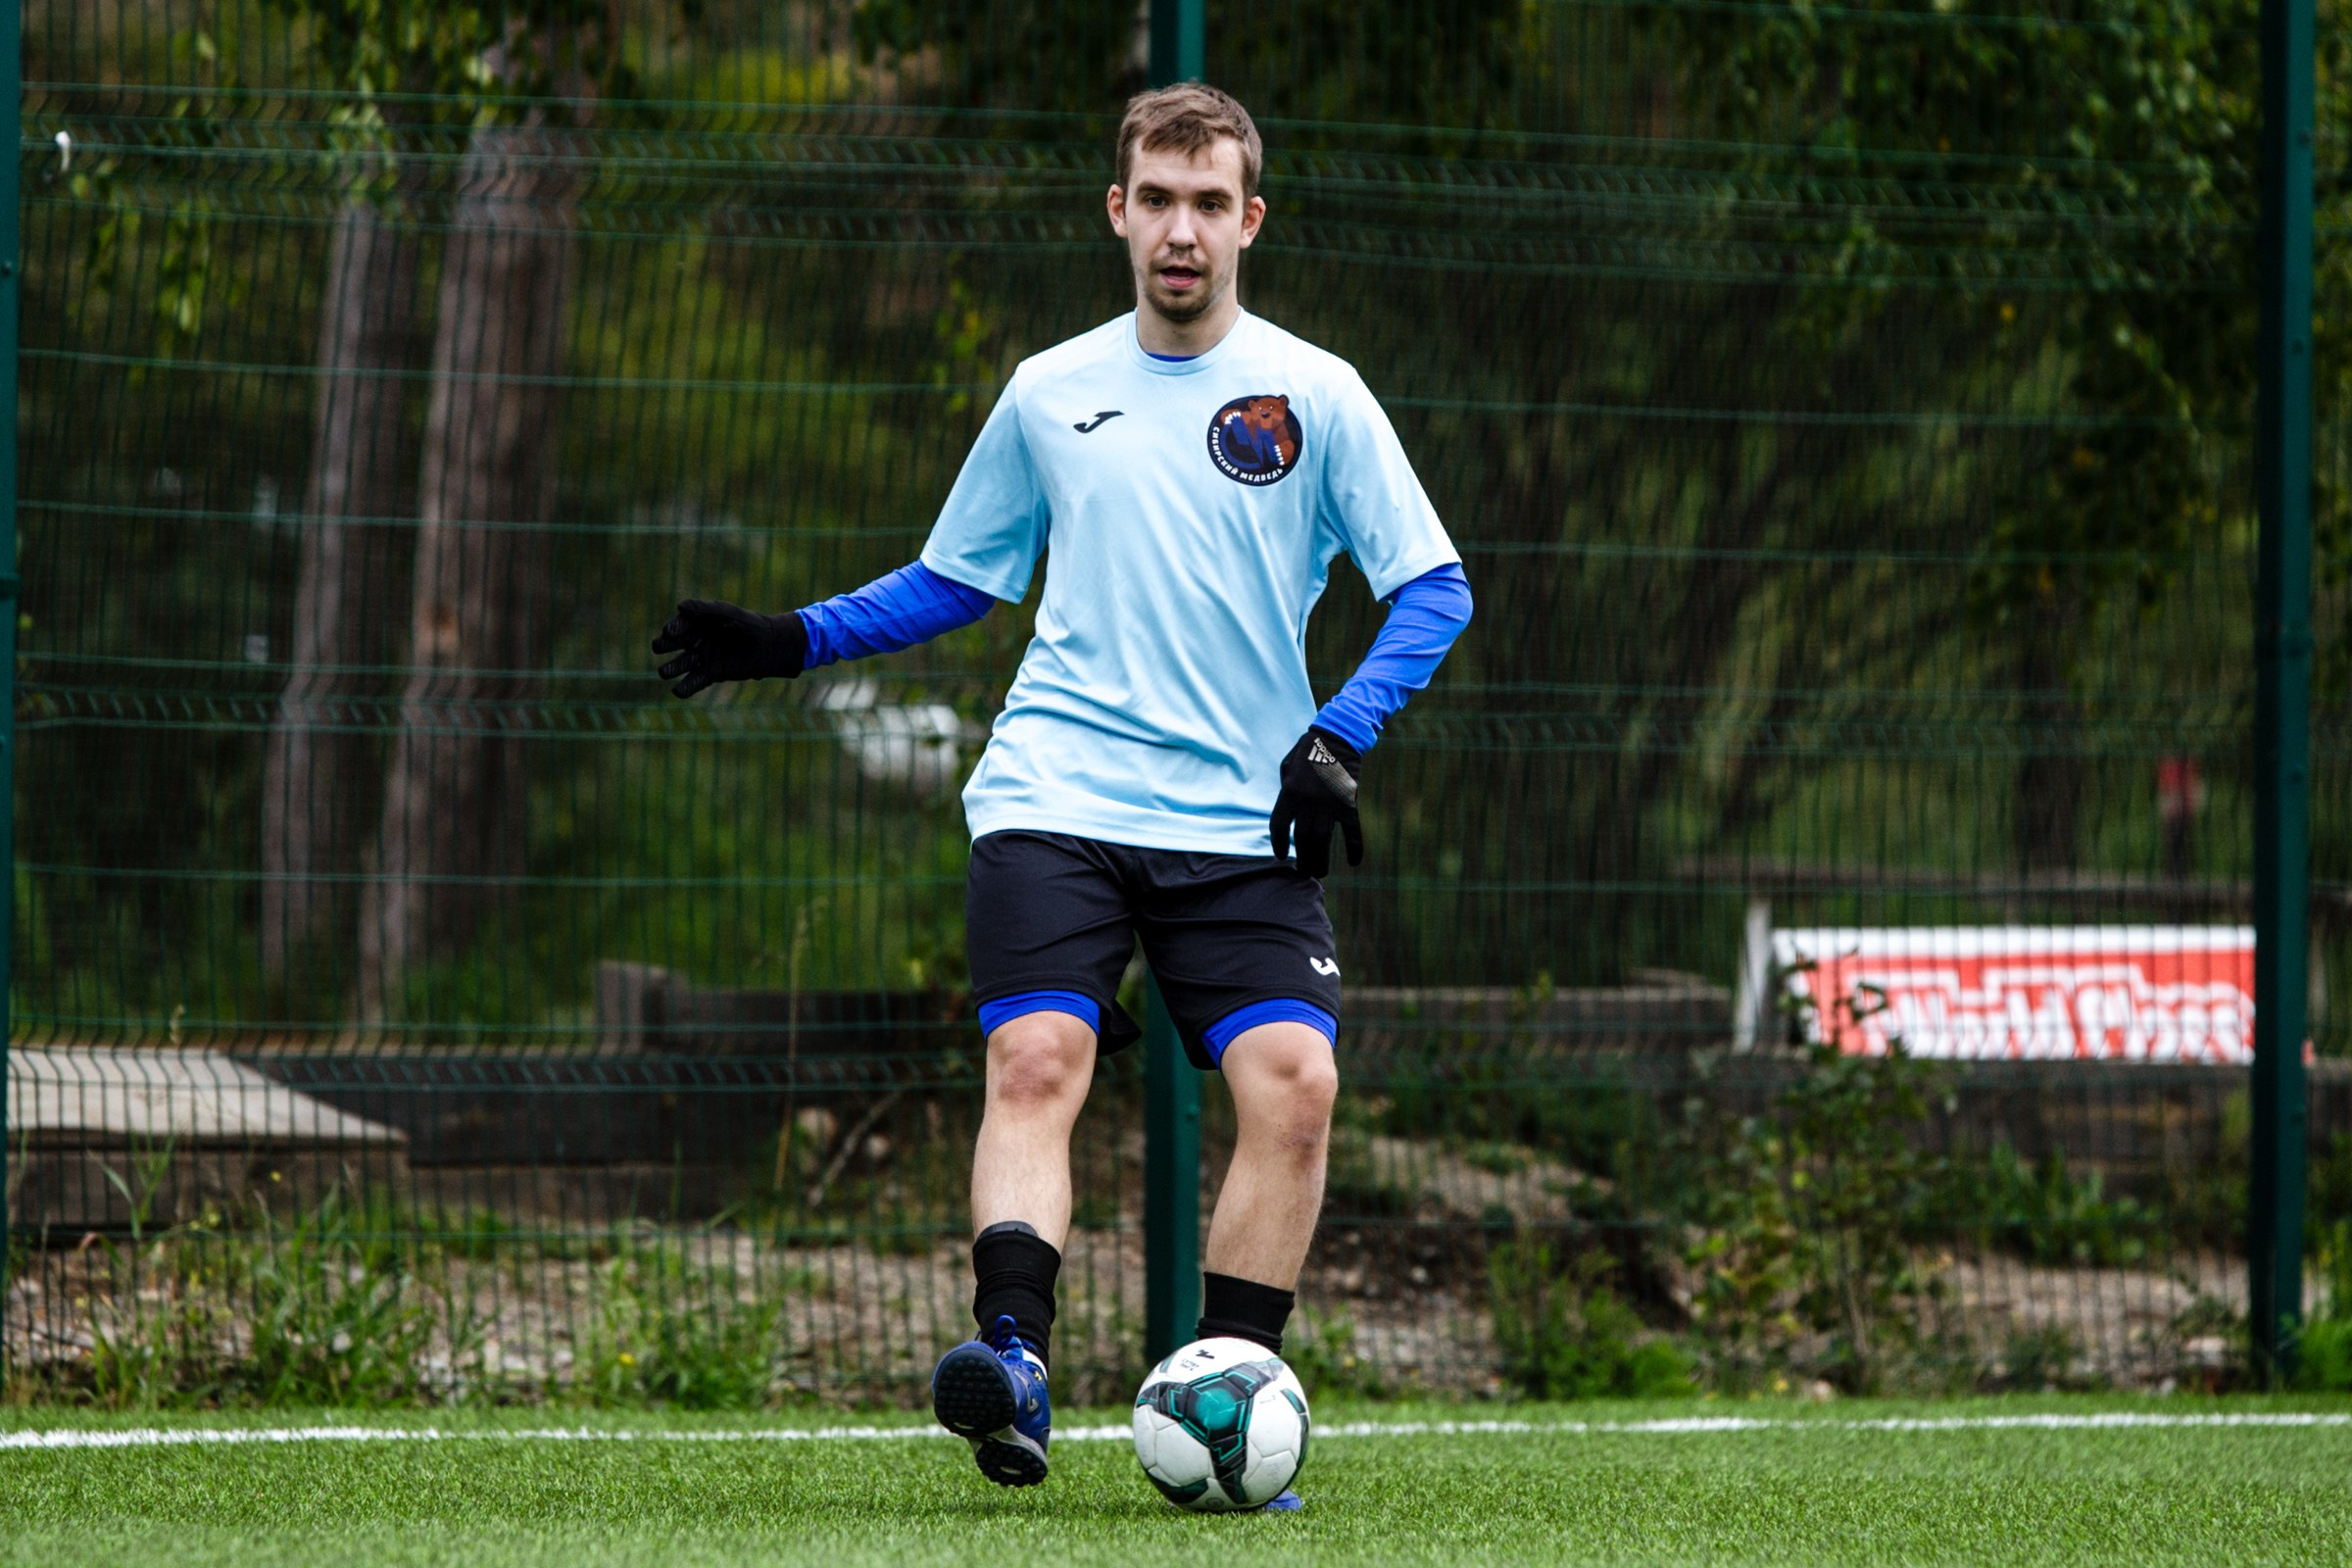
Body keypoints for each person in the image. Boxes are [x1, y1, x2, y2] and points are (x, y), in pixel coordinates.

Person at [652, 83, 1471, 1506]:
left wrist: (1339, 732)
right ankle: (1014, 1362)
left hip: (1243, 820)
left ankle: (1226, 1400)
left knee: (1298, 1090)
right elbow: (959, 577)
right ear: (1117, 211)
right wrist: (791, 637)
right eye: (1157, 199)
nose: (1182, 230)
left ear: (1250, 221)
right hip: (1058, 793)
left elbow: (1432, 586)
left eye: (1210, 204)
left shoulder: (1317, 393)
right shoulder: (1050, 389)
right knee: (1037, 1062)